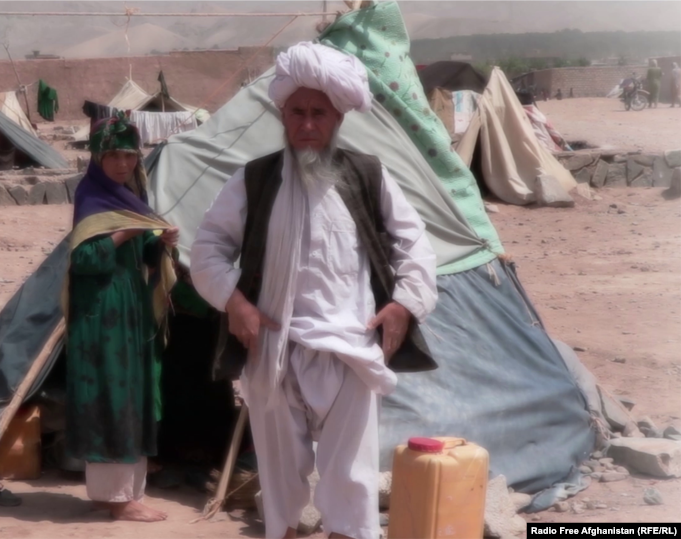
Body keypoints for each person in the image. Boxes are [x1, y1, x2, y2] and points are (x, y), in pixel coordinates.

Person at [189, 42, 438, 539]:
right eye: (297, 112)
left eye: (318, 114)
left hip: (352, 348)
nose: (307, 125)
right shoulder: (255, 178)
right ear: (282, 114)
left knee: (352, 480)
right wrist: (234, 302)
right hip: (274, 350)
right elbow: (208, 248)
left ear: (338, 118)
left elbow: (415, 244)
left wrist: (403, 305)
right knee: (280, 484)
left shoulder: (367, 174)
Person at [63, 111, 180, 522]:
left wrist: (159, 243)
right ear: (97, 156)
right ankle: (119, 501)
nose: (123, 164)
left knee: (131, 393)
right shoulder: (91, 198)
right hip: (101, 313)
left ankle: (117, 493)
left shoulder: (129, 199)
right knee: (112, 397)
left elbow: (142, 257)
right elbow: (85, 259)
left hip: (129, 308)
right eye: (114, 155)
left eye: (130, 156)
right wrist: (127, 231)